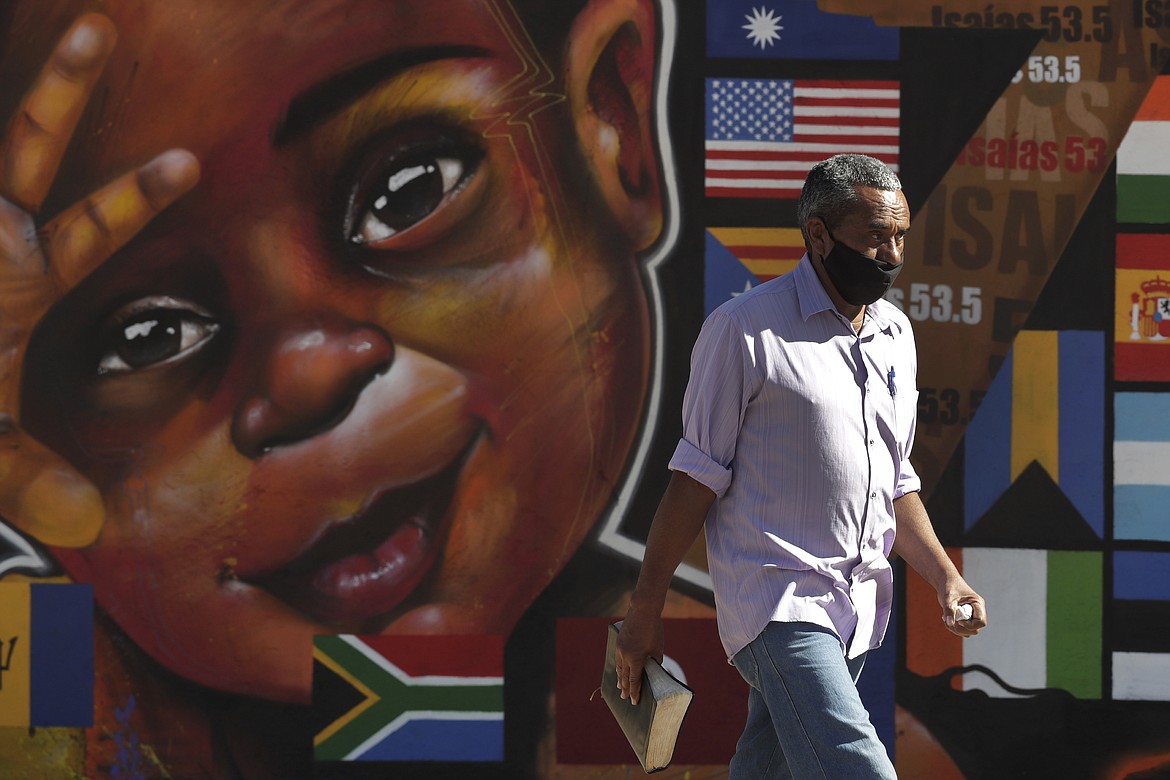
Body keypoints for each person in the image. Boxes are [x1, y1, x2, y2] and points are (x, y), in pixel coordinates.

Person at [0, 0, 673, 776]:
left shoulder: (673, 672)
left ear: (608, 121)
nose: (307, 377)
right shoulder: (46, 693)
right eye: (146, 338)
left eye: (411, 189)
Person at [616, 154, 988, 779]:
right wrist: (646, 607)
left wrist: (947, 579)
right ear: (818, 235)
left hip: (858, 606)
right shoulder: (743, 330)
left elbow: (895, 484)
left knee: (771, 766)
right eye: (873, 237)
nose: (891, 255)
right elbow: (694, 478)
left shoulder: (896, 333)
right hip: (778, 602)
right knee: (858, 766)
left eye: (900, 235)